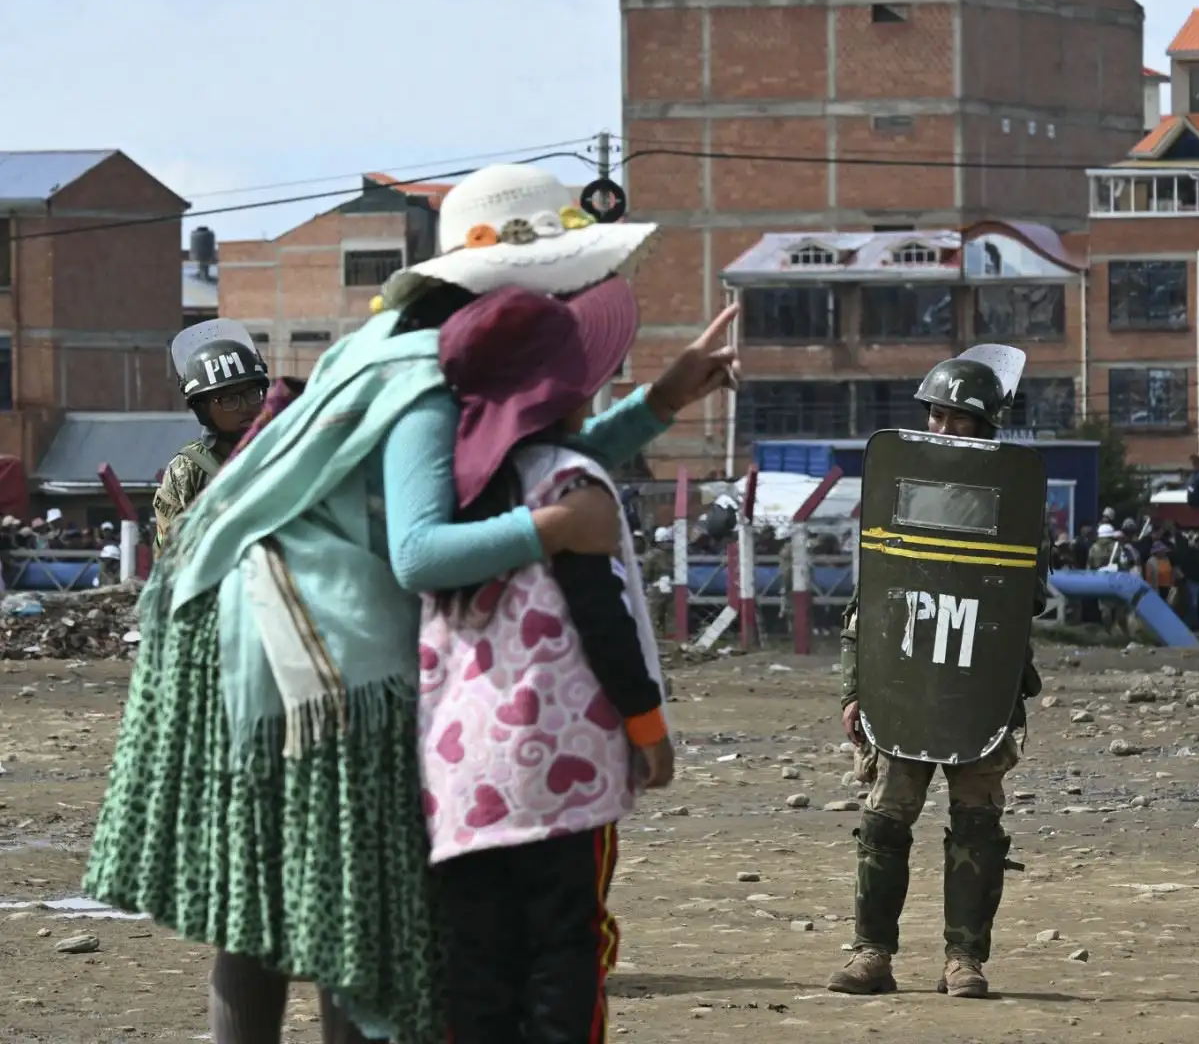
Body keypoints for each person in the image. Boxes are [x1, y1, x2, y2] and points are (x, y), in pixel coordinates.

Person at [86, 163, 740, 1044]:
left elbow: (516, 470)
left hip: (264, 634)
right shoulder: (426, 380)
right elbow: (424, 551)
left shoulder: (405, 348)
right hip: (307, 656)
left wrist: (659, 404)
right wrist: (552, 529)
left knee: (289, 907)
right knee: (353, 917)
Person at [419, 284, 674, 1041]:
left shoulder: (445, 488)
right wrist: (648, 726)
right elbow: (602, 615)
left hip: (457, 771)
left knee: (476, 959)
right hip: (560, 769)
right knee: (566, 947)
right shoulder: (569, 483)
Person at [831, 350, 1046, 1000]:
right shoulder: (897, 484)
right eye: (936, 416)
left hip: (978, 688)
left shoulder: (1013, 497)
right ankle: (872, 955)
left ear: (984, 426)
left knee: (977, 824)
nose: (944, 429)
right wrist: (854, 689)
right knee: (884, 821)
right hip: (904, 681)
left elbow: (1022, 598)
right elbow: (871, 599)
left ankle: (964, 961)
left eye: (958, 419)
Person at [152, 320, 270, 554]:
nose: (245, 406)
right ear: (203, 408)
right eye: (228, 399)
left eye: (252, 393)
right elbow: (167, 553)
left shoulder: (281, 447)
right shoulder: (187, 469)